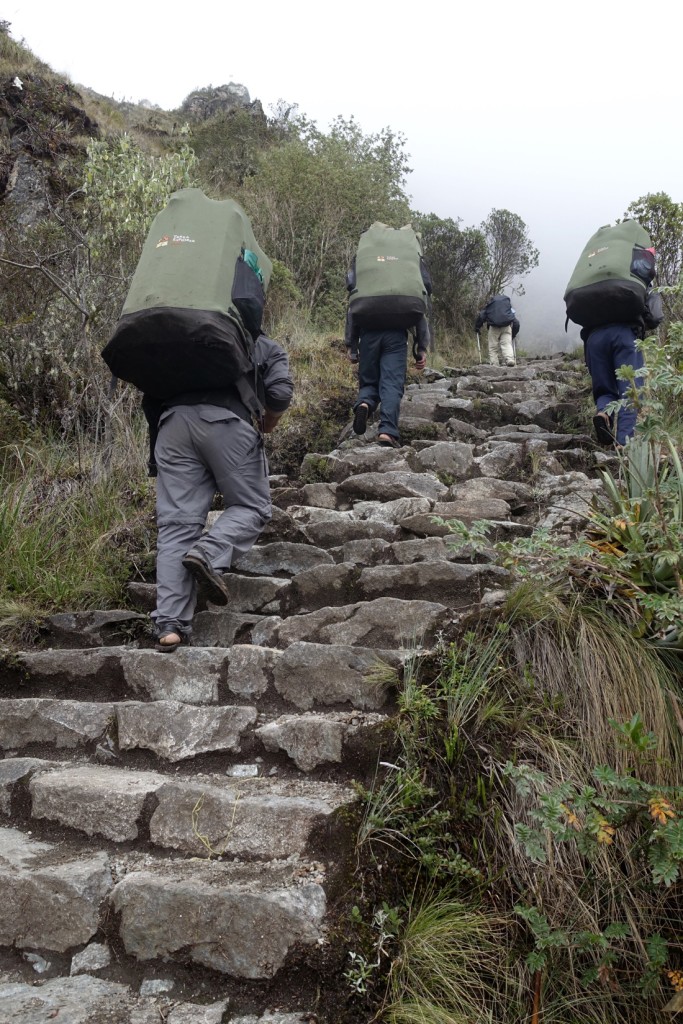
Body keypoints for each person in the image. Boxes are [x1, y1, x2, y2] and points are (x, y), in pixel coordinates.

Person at [142, 334, 293, 652]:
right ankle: (207, 553)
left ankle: (169, 625)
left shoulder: (181, 335)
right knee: (252, 506)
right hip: (227, 421)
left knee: (176, 526)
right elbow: (279, 393)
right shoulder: (260, 343)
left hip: (171, 426)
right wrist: (268, 421)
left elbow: (150, 391)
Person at [580, 288, 663, 447]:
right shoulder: (634, 272)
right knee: (631, 391)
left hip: (594, 339)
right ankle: (624, 443)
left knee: (605, 389)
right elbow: (655, 315)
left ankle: (603, 413)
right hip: (625, 334)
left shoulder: (594, 275)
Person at [345, 312, 430, 447]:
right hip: (395, 336)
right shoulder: (406, 289)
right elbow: (419, 312)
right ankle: (387, 431)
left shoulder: (363, 289)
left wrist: (351, 346)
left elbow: (353, 310)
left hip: (368, 335)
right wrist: (421, 349)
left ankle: (364, 403)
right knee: (391, 383)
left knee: (369, 381)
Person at [474, 295, 519, 366]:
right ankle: (510, 359)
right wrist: (513, 334)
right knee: (506, 344)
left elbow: (481, 316)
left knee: (493, 347)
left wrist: (477, 328)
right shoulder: (508, 309)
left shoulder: (490, 307)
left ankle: (494, 364)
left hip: (494, 328)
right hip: (506, 327)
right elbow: (516, 323)